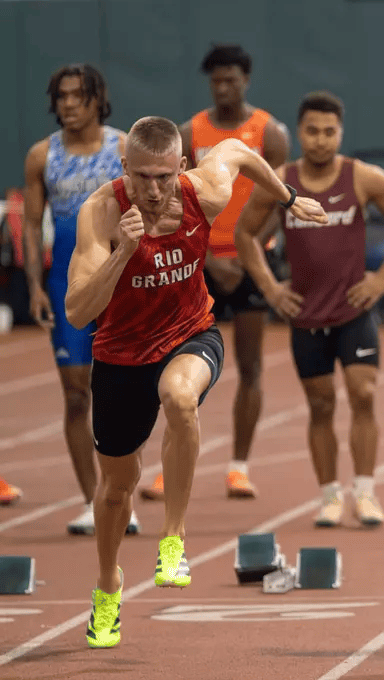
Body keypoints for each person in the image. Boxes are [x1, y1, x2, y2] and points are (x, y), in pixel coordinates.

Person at [65, 116, 325, 649]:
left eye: (164, 177)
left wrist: (288, 198)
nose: (153, 190)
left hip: (190, 334)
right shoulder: (101, 212)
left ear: (182, 166)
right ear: (124, 168)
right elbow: (76, 311)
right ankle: (108, 584)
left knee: (180, 397)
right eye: (142, 177)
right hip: (121, 355)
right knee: (115, 490)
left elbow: (239, 152)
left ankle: (173, 539)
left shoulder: (203, 191)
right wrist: (122, 253)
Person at [235, 91, 384, 528]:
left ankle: (366, 492)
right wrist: (270, 288)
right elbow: (245, 234)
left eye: (329, 132)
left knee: (363, 394)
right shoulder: (280, 181)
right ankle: (329, 497)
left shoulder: (363, 178)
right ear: (299, 133)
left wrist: (382, 278)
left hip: (353, 312)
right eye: (312, 131)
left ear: (341, 133)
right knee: (320, 406)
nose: (321, 140)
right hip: (306, 316)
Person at [139, 44, 290, 501]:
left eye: (231, 80)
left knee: (250, 365)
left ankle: (238, 467)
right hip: (196, 261)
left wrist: (246, 251)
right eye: (216, 81)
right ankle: (170, 465)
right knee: (176, 366)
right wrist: (204, 257)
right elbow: (172, 201)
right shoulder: (190, 133)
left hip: (249, 260)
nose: (223, 88)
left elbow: (278, 199)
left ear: (246, 80)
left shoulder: (270, 133)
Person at [21, 63, 140, 536]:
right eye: (62, 96)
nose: (68, 104)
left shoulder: (124, 148)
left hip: (120, 282)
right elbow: (32, 227)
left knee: (123, 393)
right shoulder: (41, 156)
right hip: (65, 285)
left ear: (97, 99)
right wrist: (34, 285)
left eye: (78, 95)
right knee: (76, 396)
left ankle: (121, 493)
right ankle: (95, 500)